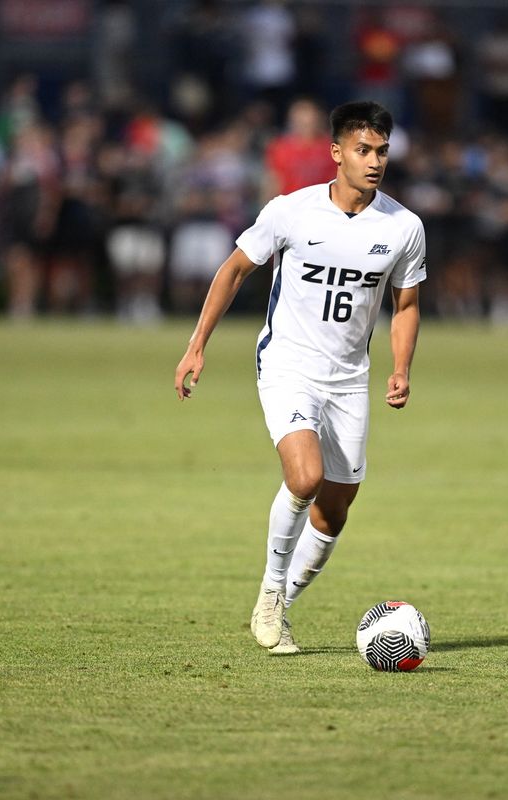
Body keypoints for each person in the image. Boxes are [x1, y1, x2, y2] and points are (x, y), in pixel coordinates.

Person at [173, 101, 426, 654]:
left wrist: (401, 368)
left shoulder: (404, 227)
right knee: (305, 476)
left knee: (335, 509)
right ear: (336, 152)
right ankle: (269, 599)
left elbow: (406, 303)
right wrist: (196, 347)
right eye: (363, 150)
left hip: (348, 379)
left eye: (382, 151)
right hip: (288, 365)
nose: (375, 161)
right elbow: (234, 269)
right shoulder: (291, 211)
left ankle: (281, 601)